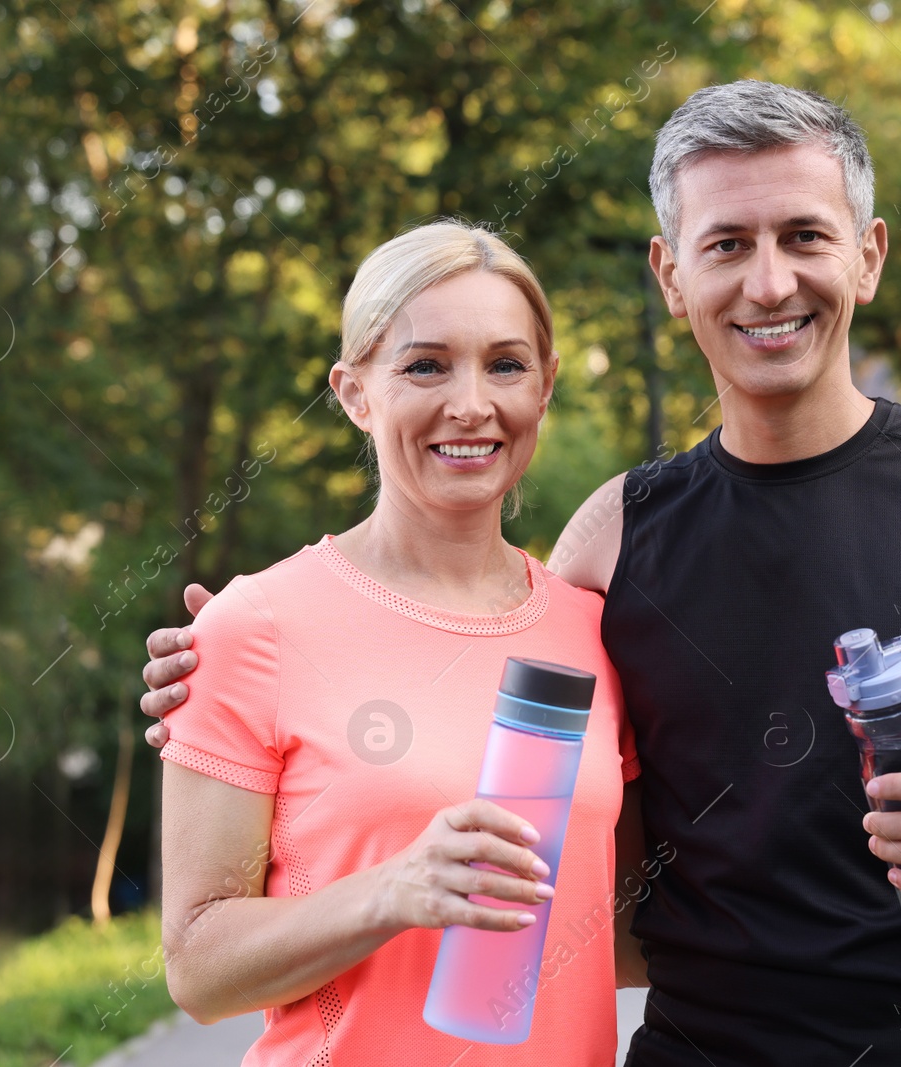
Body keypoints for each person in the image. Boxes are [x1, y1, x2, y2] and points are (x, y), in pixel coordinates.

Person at [145, 82, 901, 1065]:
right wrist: (237, 664)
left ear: (868, 256)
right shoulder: (610, 538)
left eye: (803, 237)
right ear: (671, 275)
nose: (769, 281)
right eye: (727, 243)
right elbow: (475, 683)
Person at [150, 220, 638, 1066]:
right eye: (425, 365)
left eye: (507, 364)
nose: (472, 403)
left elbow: (624, 935)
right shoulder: (256, 625)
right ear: (354, 391)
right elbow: (198, 970)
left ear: (546, 386)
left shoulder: (595, 631)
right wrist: (391, 891)